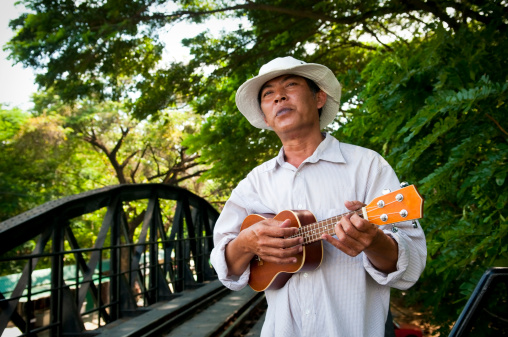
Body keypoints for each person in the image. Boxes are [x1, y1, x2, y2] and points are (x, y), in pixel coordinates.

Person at [210, 56, 427, 337]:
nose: (279, 97)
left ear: (319, 98)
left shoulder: (368, 166)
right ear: (264, 117)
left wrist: (374, 242)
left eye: (291, 84)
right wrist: (246, 242)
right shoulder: (253, 183)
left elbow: (412, 268)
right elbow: (225, 267)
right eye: (268, 94)